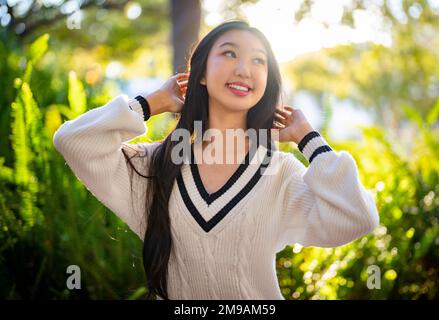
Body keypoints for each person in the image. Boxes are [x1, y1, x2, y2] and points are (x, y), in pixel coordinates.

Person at [53, 20, 379, 300]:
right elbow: (74, 141)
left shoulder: (280, 173)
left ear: (265, 84)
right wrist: (152, 103)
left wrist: (307, 138)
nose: (243, 68)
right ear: (202, 74)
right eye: (229, 53)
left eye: (258, 60)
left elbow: (357, 216)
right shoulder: (156, 165)